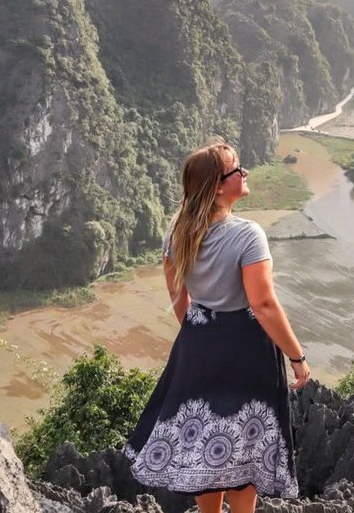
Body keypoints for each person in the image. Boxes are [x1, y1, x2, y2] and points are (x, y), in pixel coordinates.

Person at [124, 140, 310, 513]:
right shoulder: (247, 235)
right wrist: (297, 357)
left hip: (197, 349)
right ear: (218, 187)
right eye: (236, 169)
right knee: (244, 444)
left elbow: (179, 298)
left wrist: (199, 332)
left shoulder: (178, 231)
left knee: (201, 445)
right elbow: (263, 304)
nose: (244, 173)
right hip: (247, 352)